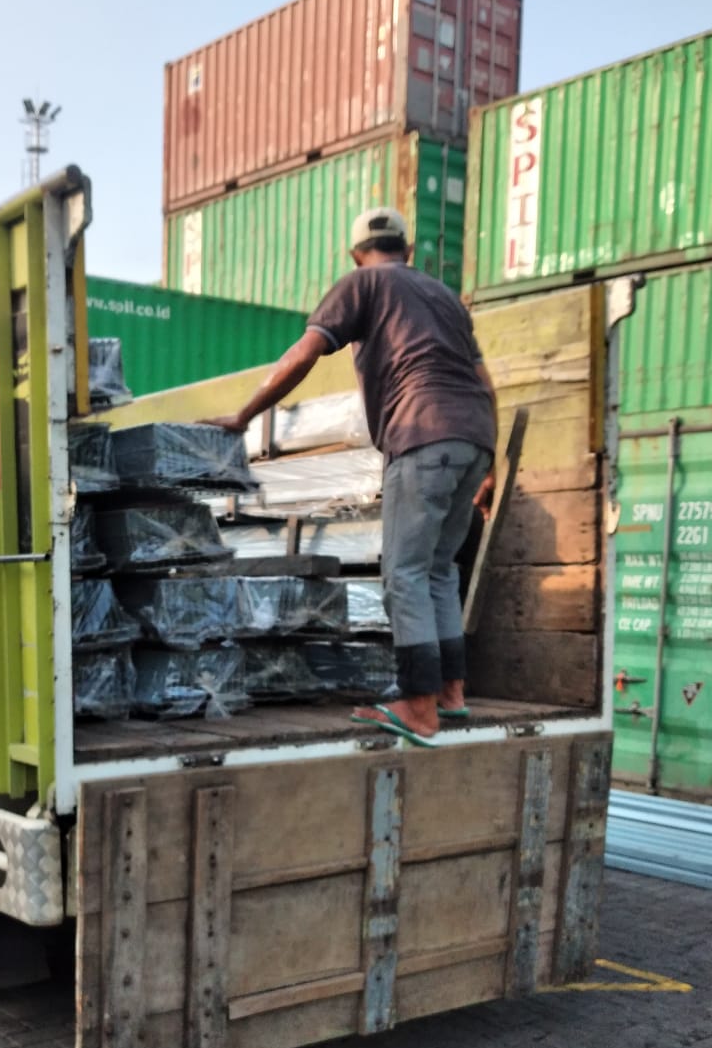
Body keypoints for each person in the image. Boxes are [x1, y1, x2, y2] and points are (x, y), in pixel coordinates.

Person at [206, 207, 498, 746]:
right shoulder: (446, 298)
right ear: (408, 249)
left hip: (422, 432)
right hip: (475, 436)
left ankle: (419, 708)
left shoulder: (362, 283)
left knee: (403, 573)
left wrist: (244, 416)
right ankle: (450, 694)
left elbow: (304, 354)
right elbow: (485, 381)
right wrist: (491, 464)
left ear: (355, 254)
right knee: (438, 569)